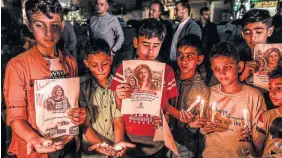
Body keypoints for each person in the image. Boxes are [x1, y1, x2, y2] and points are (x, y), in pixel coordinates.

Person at [3, 0, 109, 157]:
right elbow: (15, 117)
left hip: (69, 144)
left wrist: (78, 114)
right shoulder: (17, 66)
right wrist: (34, 138)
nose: (48, 32)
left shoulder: (70, 62)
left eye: (54, 24)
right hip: (38, 150)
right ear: (29, 25)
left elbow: (73, 104)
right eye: (40, 25)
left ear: (62, 25)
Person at [110, 18, 190, 157]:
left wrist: (176, 116)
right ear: (136, 42)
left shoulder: (167, 71)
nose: (150, 51)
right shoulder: (124, 69)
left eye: (156, 45)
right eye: (145, 44)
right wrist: (118, 96)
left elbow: (165, 106)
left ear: (161, 45)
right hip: (130, 139)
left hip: (157, 141)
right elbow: (119, 108)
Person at [202, 42, 267, 158]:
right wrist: (204, 128)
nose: (222, 73)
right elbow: (202, 126)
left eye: (227, 67)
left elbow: (260, 140)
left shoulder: (254, 97)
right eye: (216, 68)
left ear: (240, 67)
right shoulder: (209, 93)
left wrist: (249, 138)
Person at [79, 38, 135, 158]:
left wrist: (119, 142)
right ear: (86, 63)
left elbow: (118, 119)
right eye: (94, 65)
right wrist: (99, 145)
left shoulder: (119, 85)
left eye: (104, 64)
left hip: (115, 147)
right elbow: (85, 125)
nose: (100, 69)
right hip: (91, 150)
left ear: (111, 59)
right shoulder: (81, 88)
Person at [168, 34, 209, 158]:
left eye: (189, 56)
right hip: (162, 140)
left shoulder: (202, 90)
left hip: (185, 146)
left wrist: (192, 125)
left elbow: (199, 125)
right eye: (180, 55)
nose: (183, 60)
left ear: (199, 59)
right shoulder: (168, 79)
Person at [240, 67, 282, 157]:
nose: (271, 93)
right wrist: (248, 140)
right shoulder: (266, 117)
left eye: (278, 88)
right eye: (270, 88)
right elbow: (256, 153)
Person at [239, 9, 274, 82]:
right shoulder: (237, 58)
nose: (252, 37)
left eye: (258, 32)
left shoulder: (279, 57)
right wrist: (242, 78)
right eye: (248, 33)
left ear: (269, 31)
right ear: (242, 34)